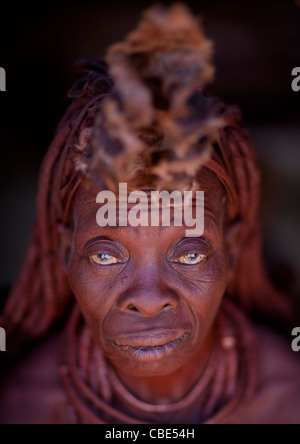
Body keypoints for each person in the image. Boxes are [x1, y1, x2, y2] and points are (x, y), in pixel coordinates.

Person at [0, 3, 300, 424]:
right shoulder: (27, 406)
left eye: (190, 253)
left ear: (232, 248)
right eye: (105, 255)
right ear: (66, 247)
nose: (147, 298)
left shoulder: (288, 401)